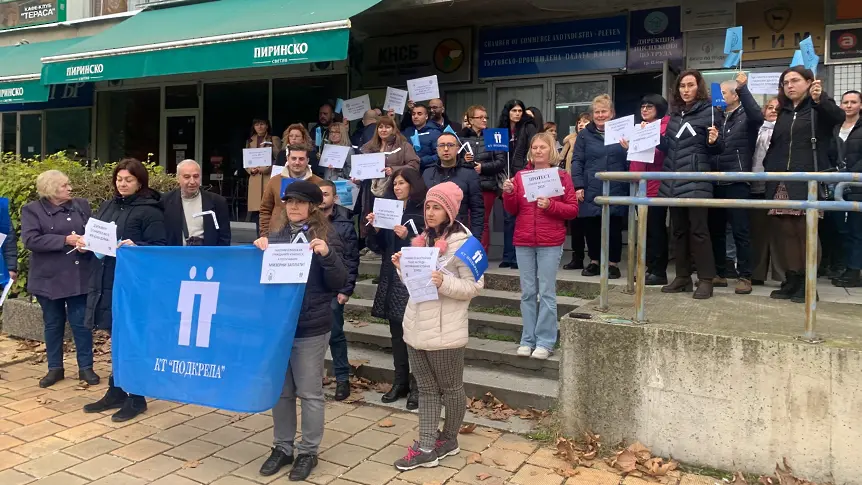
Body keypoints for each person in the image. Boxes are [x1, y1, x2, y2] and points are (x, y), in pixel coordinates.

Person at [254, 180, 347, 481]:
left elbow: (340, 281)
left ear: (313, 206)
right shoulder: (277, 235)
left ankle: (308, 451)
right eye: (288, 202)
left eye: (299, 202)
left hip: (310, 326)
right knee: (281, 393)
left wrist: (327, 255)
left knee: (309, 393)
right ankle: (282, 447)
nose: (293, 207)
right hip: (280, 327)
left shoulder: (327, 235)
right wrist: (259, 250)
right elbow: (264, 280)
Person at [392, 182, 483, 471]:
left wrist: (444, 282)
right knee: (428, 389)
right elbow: (416, 284)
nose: (429, 213)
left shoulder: (465, 244)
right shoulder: (422, 240)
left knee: (452, 388)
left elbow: (474, 285)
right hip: (416, 327)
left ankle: (449, 439)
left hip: (446, 331)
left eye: (436, 207)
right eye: (428, 206)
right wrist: (401, 267)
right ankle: (428, 444)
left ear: (450, 211)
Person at [80, 158, 166, 422]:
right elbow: (96, 234)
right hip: (106, 279)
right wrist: (86, 243)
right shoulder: (107, 205)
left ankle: (136, 398)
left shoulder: (150, 211)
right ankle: (116, 389)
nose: (123, 184)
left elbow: (160, 246)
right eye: (119, 179)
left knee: (131, 340)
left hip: (134, 285)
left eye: (128, 180)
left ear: (139, 181)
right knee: (114, 337)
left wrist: (136, 246)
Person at [763, 66, 844, 303]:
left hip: (807, 178)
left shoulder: (819, 108)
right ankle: (794, 278)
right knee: (785, 230)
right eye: (785, 82)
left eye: (795, 80)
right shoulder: (784, 112)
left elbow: (838, 118)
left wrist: (821, 99)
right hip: (780, 178)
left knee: (804, 231)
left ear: (809, 82)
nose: (790, 85)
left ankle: (809, 285)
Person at [503, 133, 579, 359]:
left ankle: (545, 341)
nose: (537, 151)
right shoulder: (520, 176)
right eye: (534, 147)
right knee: (527, 293)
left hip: (550, 241)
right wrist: (508, 194)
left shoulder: (562, 176)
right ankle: (528, 339)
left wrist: (551, 206)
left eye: (542, 147)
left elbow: (573, 210)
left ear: (551, 151)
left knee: (546, 292)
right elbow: (512, 210)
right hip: (524, 240)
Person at [20, 170, 97, 388]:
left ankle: (86, 367)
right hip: (48, 278)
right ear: (52, 190)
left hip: (78, 275)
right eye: (65, 185)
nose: (70, 188)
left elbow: (92, 232)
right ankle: (55, 368)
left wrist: (86, 245)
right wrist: (65, 240)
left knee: (81, 323)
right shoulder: (32, 210)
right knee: (53, 323)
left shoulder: (81, 205)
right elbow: (31, 240)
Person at [657, 69, 722, 299]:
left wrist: (714, 142)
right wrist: (649, 140)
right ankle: (683, 277)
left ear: (699, 87)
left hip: (696, 180)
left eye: (690, 85)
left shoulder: (711, 112)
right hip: (674, 180)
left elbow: (717, 149)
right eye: (682, 86)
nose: (686, 90)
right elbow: (669, 147)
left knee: (699, 231)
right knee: (679, 231)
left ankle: (705, 279)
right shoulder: (675, 115)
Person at [366, 168, 427, 409]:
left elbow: (429, 243)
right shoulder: (388, 209)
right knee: (396, 333)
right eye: (395, 184)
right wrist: (375, 229)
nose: (397, 188)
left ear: (412, 185)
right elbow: (377, 246)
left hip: (412, 278)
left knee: (414, 335)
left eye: (402, 183)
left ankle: (417, 386)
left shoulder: (423, 210)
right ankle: (400, 381)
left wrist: (409, 234)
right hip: (391, 274)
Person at [707, 72, 764, 295]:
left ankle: (745, 276)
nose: (719, 97)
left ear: (735, 95)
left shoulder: (746, 117)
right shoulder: (717, 117)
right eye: (718, 93)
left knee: (740, 230)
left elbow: (758, 117)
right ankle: (720, 273)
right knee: (716, 229)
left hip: (737, 178)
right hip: (715, 178)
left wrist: (743, 88)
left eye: (723, 93)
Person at [574, 94, 629, 279]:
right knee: (592, 225)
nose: (600, 115)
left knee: (614, 226)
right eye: (596, 112)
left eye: (603, 111)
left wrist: (628, 148)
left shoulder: (623, 132)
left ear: (611, 113)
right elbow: (577, 161)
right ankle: (594, 262)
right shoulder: (584, 135)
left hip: (616, 186)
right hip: (591, 186)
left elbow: (633, 161)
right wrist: (578, 185)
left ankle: (613, 264)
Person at [355, 116, 420, 260]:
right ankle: (371, 246)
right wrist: (357, 176)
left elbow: (414, 164)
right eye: (380, 127)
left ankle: (386, 253)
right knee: (370, 217)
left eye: (387, 127)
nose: (383, 130)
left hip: (392, 189)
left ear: (394, 129)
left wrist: (394, 169)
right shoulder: (369, 146)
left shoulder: (403, 145)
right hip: (371, 188)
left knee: (387, 222)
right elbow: (361, 167)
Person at [318, 180, 359, 402]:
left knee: (335, 334)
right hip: (312, 288)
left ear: (334, 198)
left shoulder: (345, 223)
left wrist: (346, 289)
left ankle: (342, 379)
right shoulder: (306, 222)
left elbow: (351, 259)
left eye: (325, 194)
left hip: (335, 289)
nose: (321, 198)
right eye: (318, 194)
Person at [629, 95, 670, 285]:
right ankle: (649, 268)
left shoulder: (665, 125)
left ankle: (659, 270)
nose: (644, 110)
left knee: (656, 229)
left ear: (659, 108)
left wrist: (653, 137)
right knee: (644, 230)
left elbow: (665, 151)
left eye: (649, 106)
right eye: (643, 106)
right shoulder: (639, 127)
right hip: (640, 184)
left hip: (657, 184)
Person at [460, 105, 506, 253]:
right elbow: (452, 162)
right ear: (470, 120)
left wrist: (483, 167)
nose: (484, 120)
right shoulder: (461, 137)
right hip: (466, 185)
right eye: (480, 117)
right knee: (465, 220)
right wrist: (463, 160)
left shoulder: (493, 136)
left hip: (486, 185)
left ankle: (481, 254)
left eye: (485, 117)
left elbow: (501, 162)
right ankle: (464, 254)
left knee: (483, 221)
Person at [498, 99, 538, 269]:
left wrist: (521, 174)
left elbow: (531, 152)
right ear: (508, 112)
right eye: (513, 110)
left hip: (523, 176)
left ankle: (517, 258)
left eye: (520, 111)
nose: (517, 114)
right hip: (506, 176)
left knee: (520, 218)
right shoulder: (501, 130)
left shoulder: (528, 127)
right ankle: (507, 256)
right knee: (508, 219)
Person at [422, 132, 484, 240]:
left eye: (450, 145)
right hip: (431, 236)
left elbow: (477, 210)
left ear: (457, 149)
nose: (446, 149)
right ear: (437, 149)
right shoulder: (427, 173)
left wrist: (475, 239)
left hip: (458, 235)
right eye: (442, 145)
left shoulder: (469, 174)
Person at [749, 97, 784, 286]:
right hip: (756, 184)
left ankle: (783, 276)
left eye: (777, 109)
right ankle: (757, 273)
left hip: (778, 184)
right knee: (757, 232)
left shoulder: (784, 129)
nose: (772, 111)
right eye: (769, 107)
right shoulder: (756, 129)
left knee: (779, 231)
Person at [831, 91, 862, 287]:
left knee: (856, 230)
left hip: (857, 184)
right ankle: (845, 266)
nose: (849, 105)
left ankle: (854, 270)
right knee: (841, 229)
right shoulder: (835, 128)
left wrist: (851, 173)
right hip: (836, 184)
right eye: (845, 102)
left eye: (853, 102)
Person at [162, 160, 231, 247]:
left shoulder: (218, 202)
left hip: (207, 257)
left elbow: (224, 237)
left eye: (196, 176)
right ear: (177, 178)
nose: (192, 181)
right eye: (187, 177)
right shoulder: (165, 201)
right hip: (176, 256)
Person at [260, 144, 324, 237]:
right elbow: (265, 210)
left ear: (308, 160)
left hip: (311, 235)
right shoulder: (274, 181)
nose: (297, 162)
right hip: (277, 235)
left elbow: (323, 211)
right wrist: (264, 235)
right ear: (287, 159)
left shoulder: (318, 183)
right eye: (293, 158)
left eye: (301, 159)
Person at [561, 112, 591, 270]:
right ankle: (577, 257)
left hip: (589, 187)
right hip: (571, 187)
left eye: (585, 122)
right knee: (576, 224)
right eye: (579, 122)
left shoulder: (593, 139)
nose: (581, 124)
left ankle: (595, 259)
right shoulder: (570, 140)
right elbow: (560, 159)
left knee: (590, 225)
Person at [246, 119, 282, 231]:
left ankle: (271, 235)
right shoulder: (250, 140)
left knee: (269, 208)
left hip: (268, 177)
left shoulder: (273, 139)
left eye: (262, 124)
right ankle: (259, 235)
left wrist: (272, 147)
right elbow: (246, 160)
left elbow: (279, 157)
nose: (259, 127)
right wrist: (250, 170)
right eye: (256, 124)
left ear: (267, 126)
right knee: (257, 211)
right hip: (255, 178)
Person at [402, 104, 442, 172]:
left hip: (427, 171)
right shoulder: (407, 132)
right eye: (413, 114)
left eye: (419, 114)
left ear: (426, 116)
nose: (415, 116)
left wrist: (421, 160)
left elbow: (440, 155)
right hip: (407, 171)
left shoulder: (434, 133)